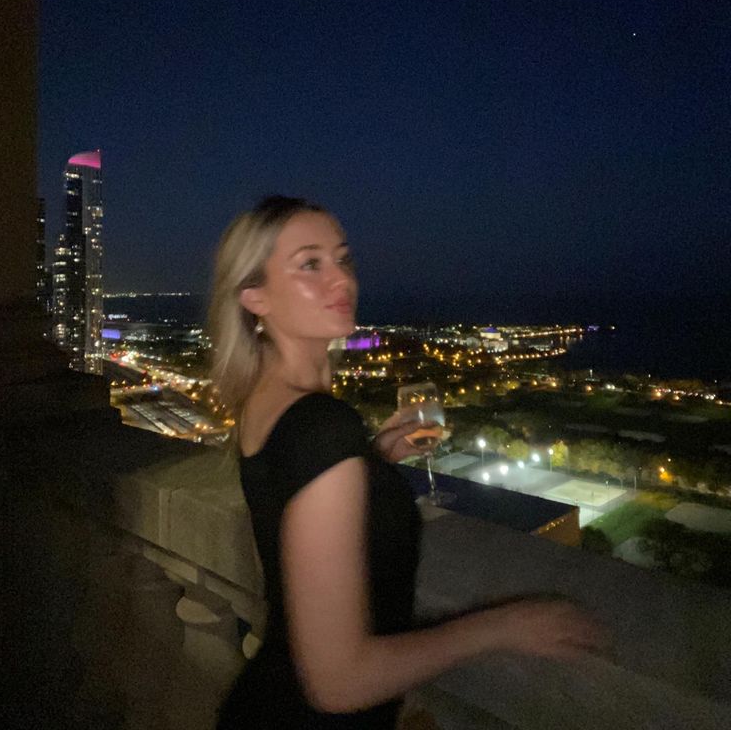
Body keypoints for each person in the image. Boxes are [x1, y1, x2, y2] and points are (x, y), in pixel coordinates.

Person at [210, 196, 606, 730]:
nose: (342, 280)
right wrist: (504, 626)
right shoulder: (321, 426)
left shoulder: (268, 401)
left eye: (343, 259)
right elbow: (337, 683)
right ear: (254, 296)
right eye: (310, 264)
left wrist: (371, 458)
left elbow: (294, 495)